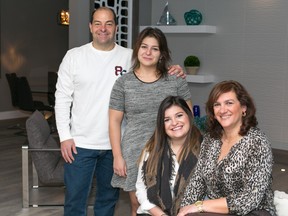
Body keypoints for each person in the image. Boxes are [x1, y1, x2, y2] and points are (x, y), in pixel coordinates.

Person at [55, 7, 185, 216]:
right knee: (75, 201)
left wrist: (174, 70)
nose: (103, 28)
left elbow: (154, 71)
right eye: (97, 23)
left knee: (108, 201)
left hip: (117, 146)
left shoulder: (129, 57)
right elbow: (62, 98)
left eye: (108, 23)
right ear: (90, 27)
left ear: (116, 27)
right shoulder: (74, 56)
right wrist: (64, 136)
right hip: (80, 144)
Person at [109, 27, 193, 216]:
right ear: (137, 49)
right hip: (134, 152)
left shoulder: (175, 80)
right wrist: (117, 156)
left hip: (172, 150)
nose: (148, 52)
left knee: (174, 204)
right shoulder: (123, 83)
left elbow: (188, 117)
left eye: (154, 48)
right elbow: (114, 121)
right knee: (138, 206)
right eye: (144, 47)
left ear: (162, 54)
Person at [177, 80, 276, 216]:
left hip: (253, 211)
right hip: (216, 211)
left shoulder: (257, 142)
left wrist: (200, 205)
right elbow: (197, 181)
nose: (222, 110)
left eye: (229, 103)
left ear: (243, 107)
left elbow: (248, 200)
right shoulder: (211, 139)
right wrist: (185, 209)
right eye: (217, 105)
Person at [135, 96, 202, 216]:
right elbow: (141, 189)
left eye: (179, 115)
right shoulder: (151, 150)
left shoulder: (206, 148)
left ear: (189, 116)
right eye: (167, 120)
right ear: (162, 124)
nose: (174, 123)